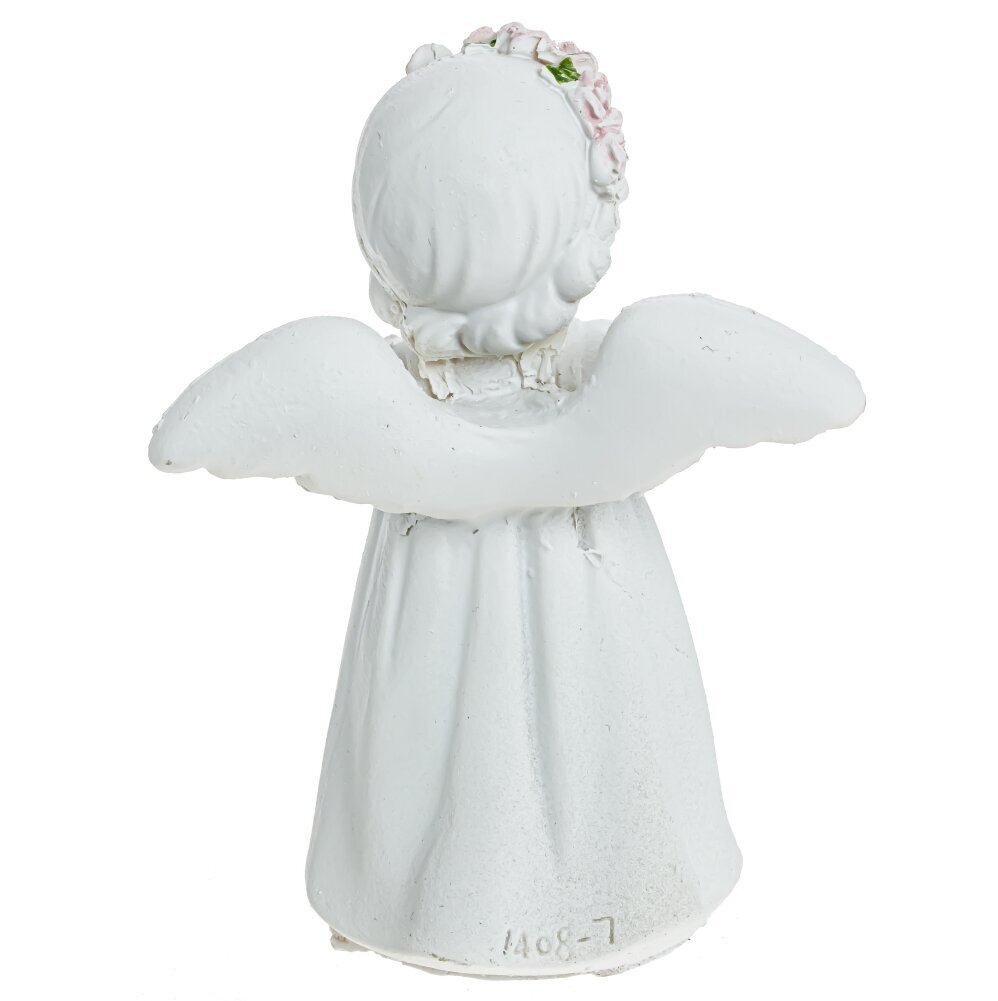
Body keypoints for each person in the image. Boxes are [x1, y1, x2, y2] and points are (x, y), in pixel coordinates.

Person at [149, 23, 864, 976]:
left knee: (428, 726)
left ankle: (425, 898)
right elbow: (773, 381)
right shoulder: (609, 380)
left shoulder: (394, 396)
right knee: (596, 715)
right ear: (580, 225)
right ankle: (610, 899)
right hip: (589, 571)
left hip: (434, 577)